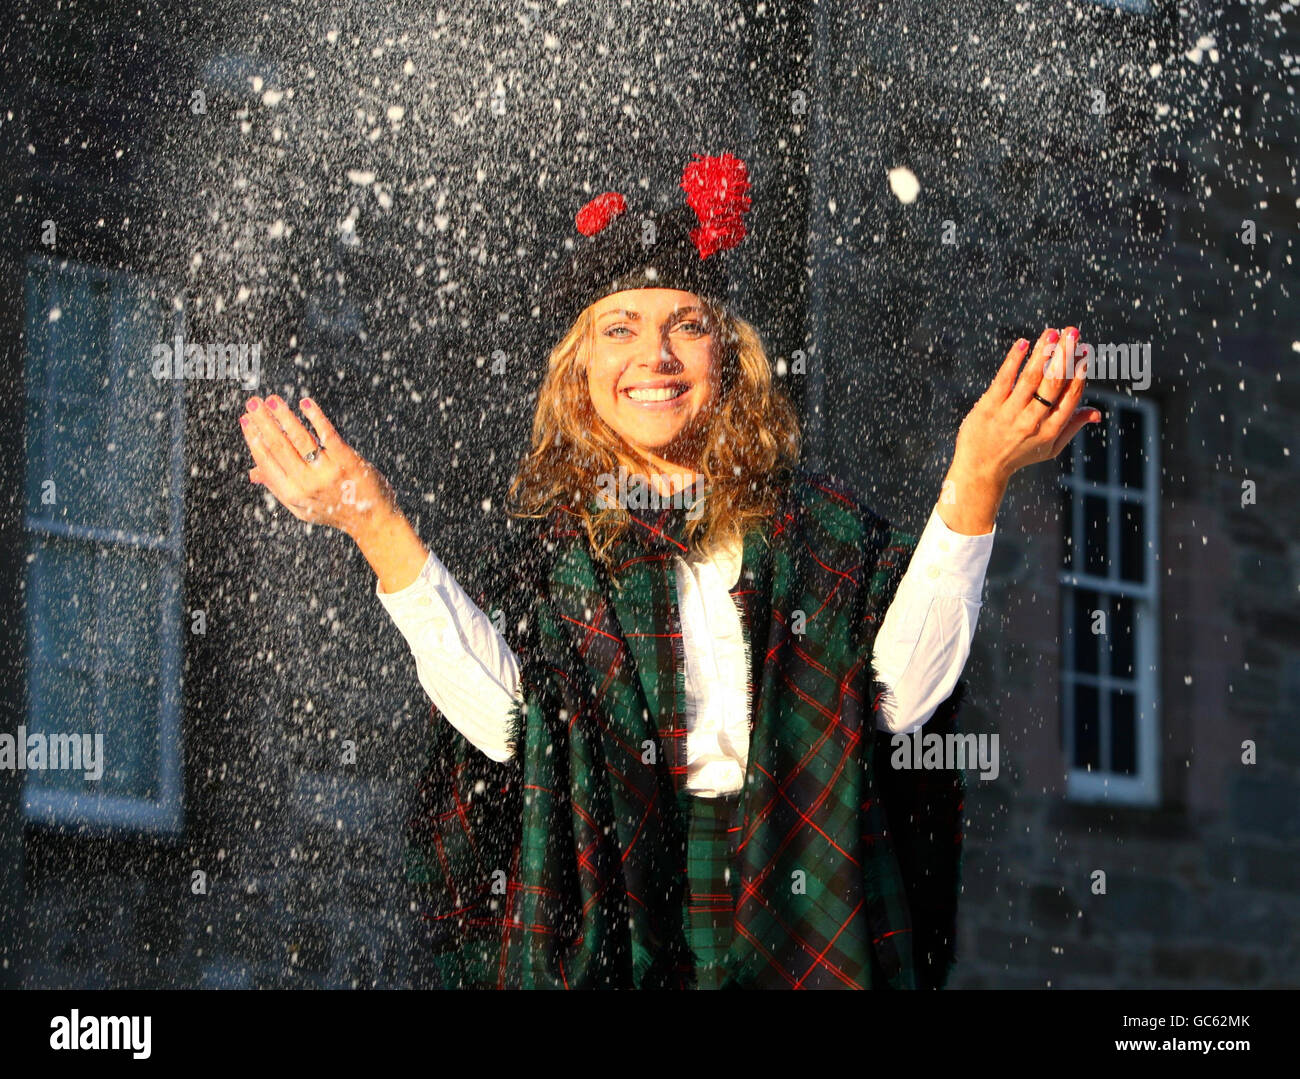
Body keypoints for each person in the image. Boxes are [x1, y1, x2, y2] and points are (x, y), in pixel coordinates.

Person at [238, 152, 1099, 989]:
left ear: (727, 354)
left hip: (803, 904)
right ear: (580, 372)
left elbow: (897, 704)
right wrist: (373, 521)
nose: (654, 356)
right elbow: (511, 728)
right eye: (620, 329)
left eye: (684, 325)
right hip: (614, 911)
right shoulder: (553, 562)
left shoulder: (820, 535)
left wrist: (976, 478)